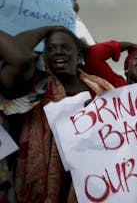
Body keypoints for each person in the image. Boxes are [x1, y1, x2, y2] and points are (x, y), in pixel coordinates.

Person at [1, 26, 114, 202]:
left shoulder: (102, 88)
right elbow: (20, 55)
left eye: (66, 47)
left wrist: (101, 116)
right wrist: (49, 27)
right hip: (46, 184)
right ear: (45, 56)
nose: (58, 52)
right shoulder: (37, 85)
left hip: (96, 183)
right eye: (51, 49)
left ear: (79, 55)